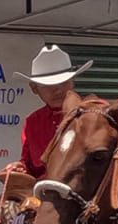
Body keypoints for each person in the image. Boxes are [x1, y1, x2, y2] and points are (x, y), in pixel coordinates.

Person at [19, 46, 92, 178]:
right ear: (34, 88)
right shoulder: (33, 122)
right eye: (48, 86)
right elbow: (29, 166)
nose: (57, 91)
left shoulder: (92, 115)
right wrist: (19, 168)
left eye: (63, 83)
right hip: (42, 192)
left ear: (72, 82)